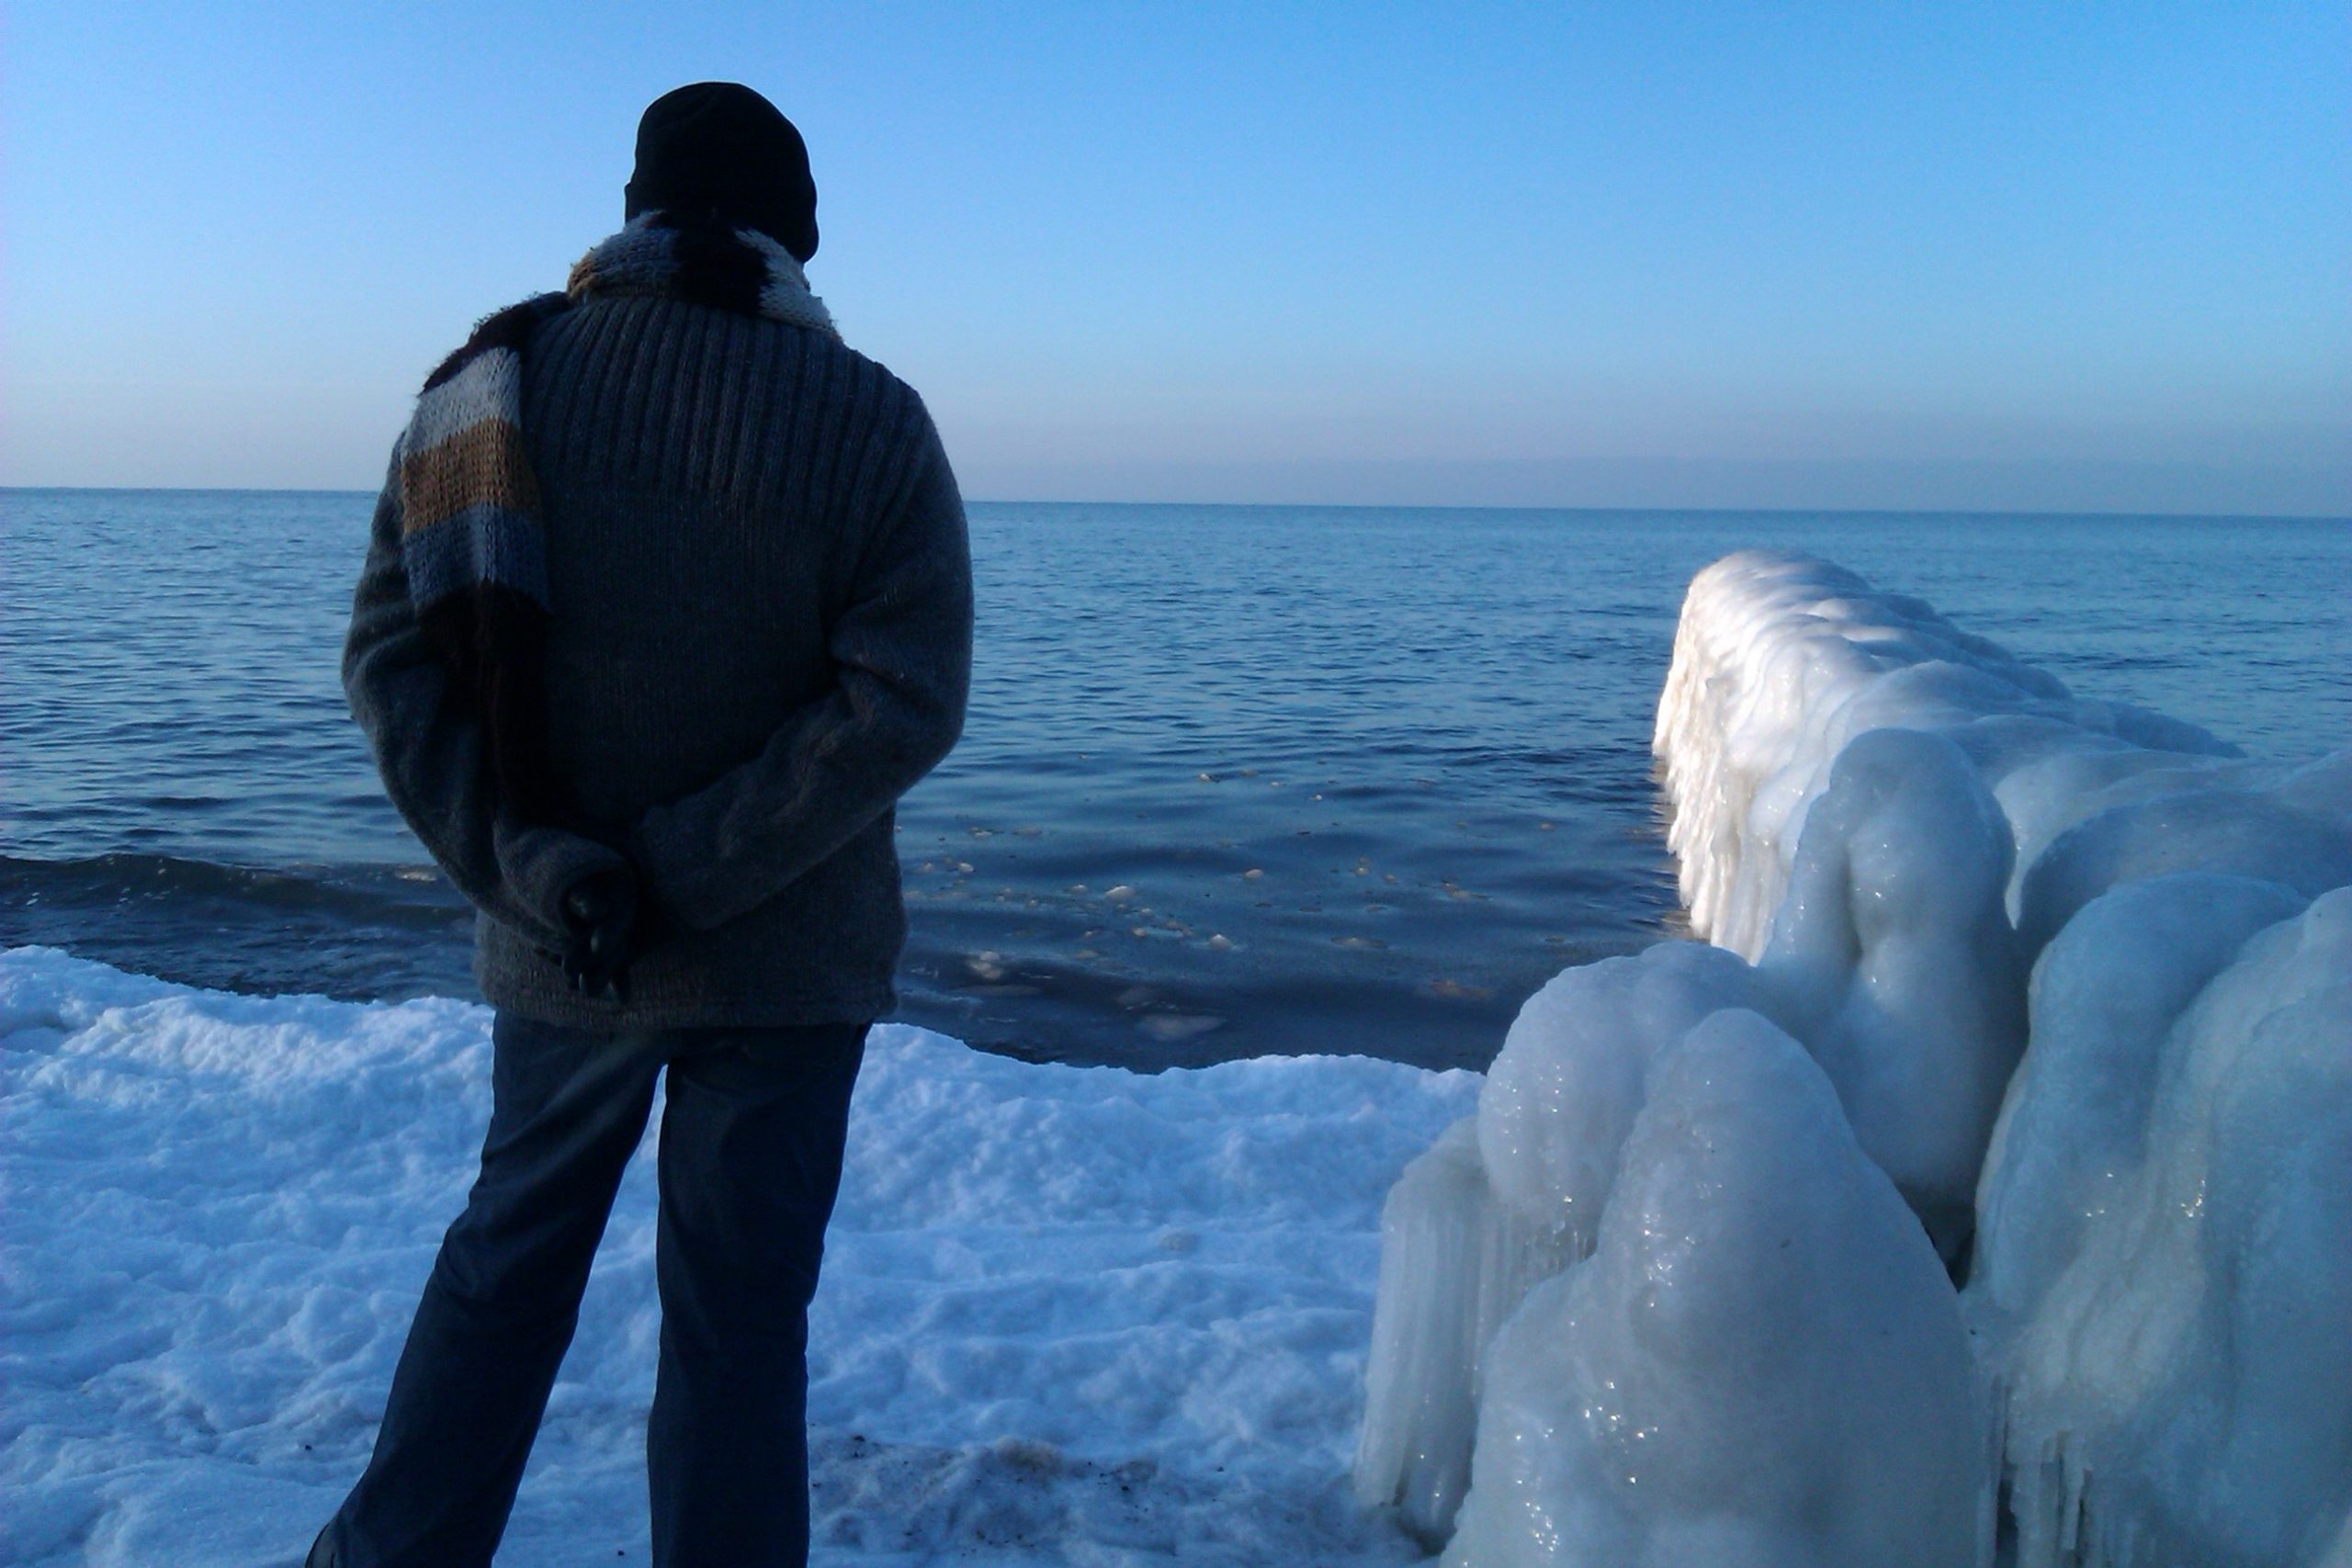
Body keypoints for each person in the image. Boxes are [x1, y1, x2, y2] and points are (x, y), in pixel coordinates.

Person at [311, 83, 973, 1568]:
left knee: (503, 1276)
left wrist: (542, 870)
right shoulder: (872, 418)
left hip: (563, 946)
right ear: (793, 231)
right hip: (786, 960)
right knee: (738, 1330)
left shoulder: (484, 393)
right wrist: (688, 871)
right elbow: (904, 701)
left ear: (634, 214)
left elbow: (393, 669)